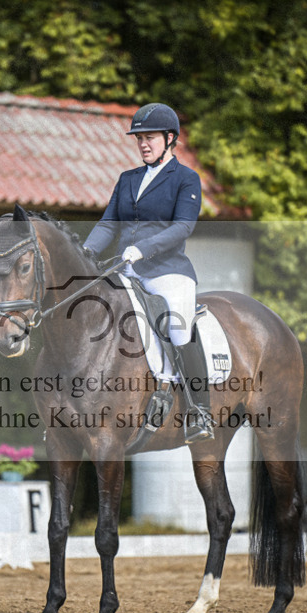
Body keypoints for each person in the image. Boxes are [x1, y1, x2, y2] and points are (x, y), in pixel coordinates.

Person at [82, 103, 214, 443]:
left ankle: (199, 410)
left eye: (150, 138)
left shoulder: (186, 179)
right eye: (139, 138)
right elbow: (108, 223)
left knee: (179, 328)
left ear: (169, 139)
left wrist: (144, 248)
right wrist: (86, 252)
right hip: (125, 272)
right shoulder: (128, 179)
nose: (143, 144)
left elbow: (183, 227)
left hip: (167, 272)